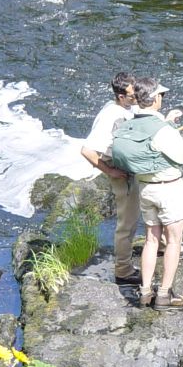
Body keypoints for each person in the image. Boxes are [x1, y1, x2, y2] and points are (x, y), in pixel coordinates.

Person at [126, 77, 183, 310]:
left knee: (151, 239)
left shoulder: (132, 123)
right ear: (156, 98)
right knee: (173, 241)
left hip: (145, 188)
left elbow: (151, 143)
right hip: (168, 189)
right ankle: (164, 295)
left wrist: (168, 123)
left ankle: (145, 291)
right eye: (161, 95)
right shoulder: (163, 131)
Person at [80, 72, 141, 285]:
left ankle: (156, 247)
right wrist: (111, 172)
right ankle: (123, 270)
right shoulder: (111, 116)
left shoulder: (127, 108)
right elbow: (87, 150)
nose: (137, 98)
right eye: (133, 95)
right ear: (121, 96)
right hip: (122, 175)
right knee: (127, 223)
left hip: (132, 171)